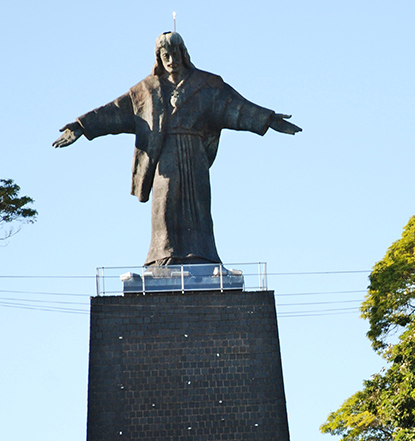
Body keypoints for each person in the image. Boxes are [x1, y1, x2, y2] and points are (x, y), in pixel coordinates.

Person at [53, 31, 301, 266]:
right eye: (165, 55)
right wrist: (82, 126)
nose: (171, 60)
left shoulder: (208, 85)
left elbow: (236, 108)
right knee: (166, 204)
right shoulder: (146, 91)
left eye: (175, 53)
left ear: (184, 53)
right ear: (159, 58)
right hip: (165, 155)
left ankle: (203, 256)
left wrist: (268, 119)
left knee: (200, 206)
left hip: (194, 154)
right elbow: (115, 111)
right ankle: (163, 255)